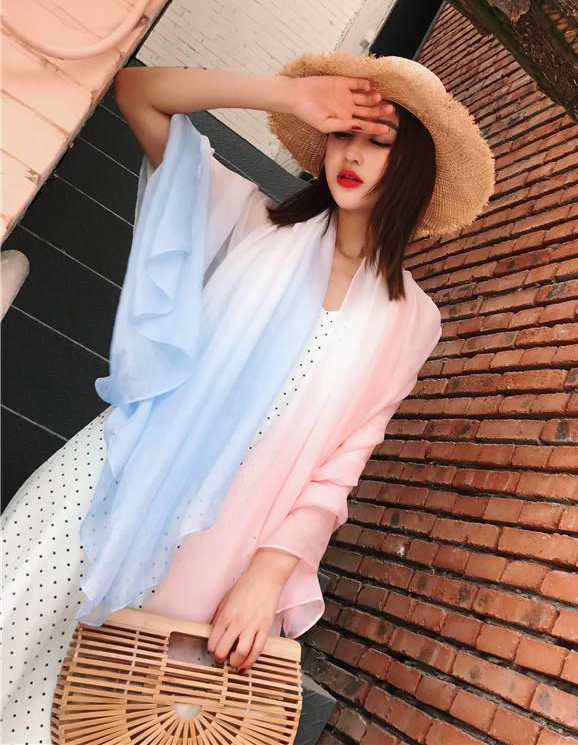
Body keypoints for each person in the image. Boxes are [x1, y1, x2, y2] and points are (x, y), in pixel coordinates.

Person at [1, 51, 495, 744]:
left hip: (220, 553)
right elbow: (139, 92)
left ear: (414, 166)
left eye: (379, 141)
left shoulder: (413, 319)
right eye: (343, 133)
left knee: (95, 717)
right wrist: (289, 97)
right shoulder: (251, 220)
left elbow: (344, 463)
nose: (352, 154)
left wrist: (269, 573)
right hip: (103, 491)